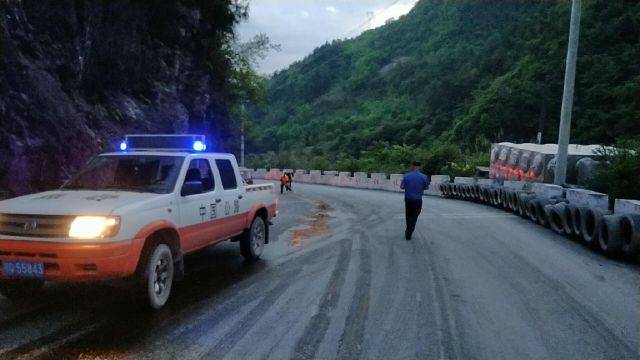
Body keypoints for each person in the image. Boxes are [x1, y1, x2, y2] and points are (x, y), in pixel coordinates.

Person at [400, 161, 430, 240]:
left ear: (412, 166)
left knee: (408, 215)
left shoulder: (406, 176)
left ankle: (408, 230)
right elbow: (426, 187)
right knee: (415, 215)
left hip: (408, 199)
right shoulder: (424, 177)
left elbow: (402, 187)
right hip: (418, 200)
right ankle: (410, 230)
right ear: (420, 167)